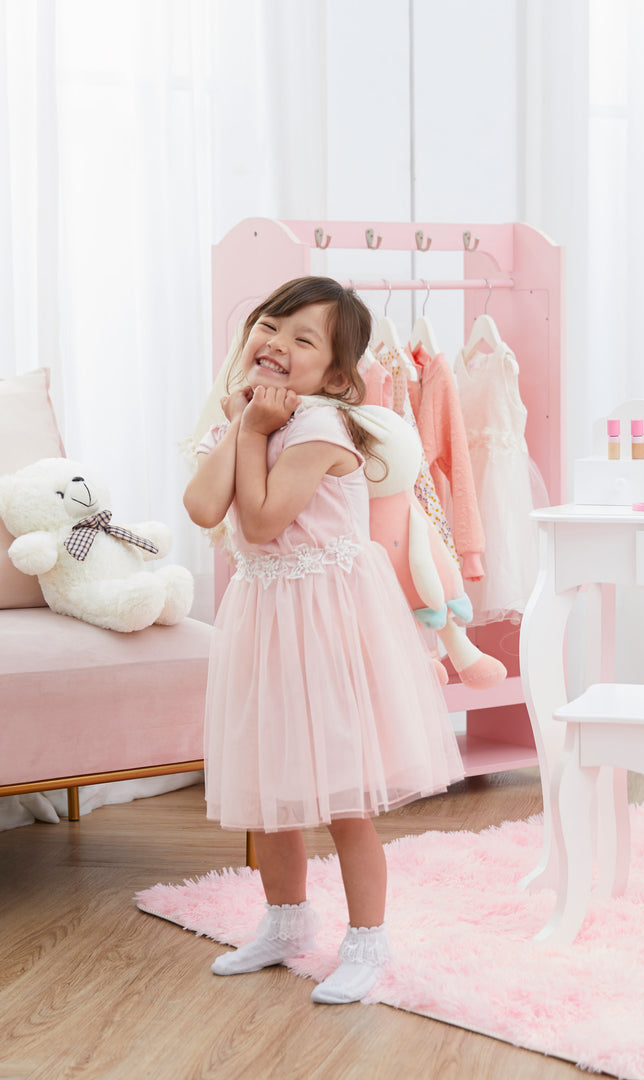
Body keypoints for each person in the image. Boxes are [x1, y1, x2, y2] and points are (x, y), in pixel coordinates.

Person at [184, 276, 464, 1004]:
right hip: (267, 618)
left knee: (344, 799)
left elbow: (264, 521)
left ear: (336, 376)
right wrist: (240, 425)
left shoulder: (319, 428)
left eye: (303, 340)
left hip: (329, 624)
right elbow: (202, 505)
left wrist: (250, 432)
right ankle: (285, 924)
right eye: (271, 325)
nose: (277, 344)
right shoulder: (252, 414)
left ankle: (368, 940)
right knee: (269, 786)